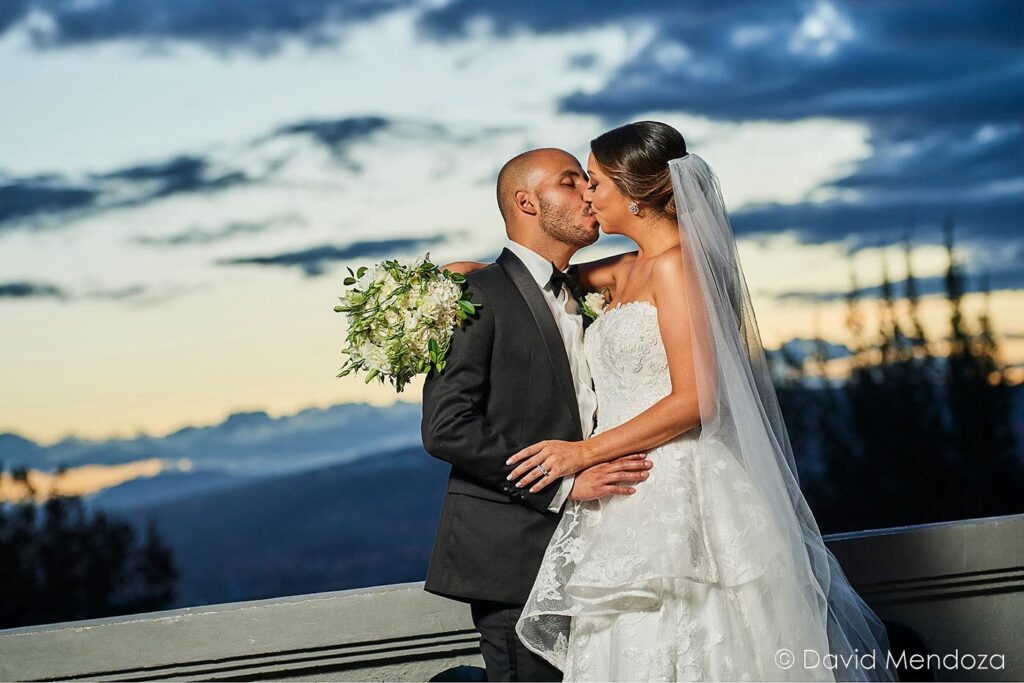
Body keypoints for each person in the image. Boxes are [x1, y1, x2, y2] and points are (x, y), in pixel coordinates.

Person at [452, 122, 898, 681]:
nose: (587, 194)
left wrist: (581, 454)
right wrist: (471, 276)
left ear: (633, 195)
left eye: (593, 181)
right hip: (624, 494)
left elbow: (696, 400)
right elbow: (541, 278)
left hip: (676, 480)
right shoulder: (626, 267)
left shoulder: (679, 265)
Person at [420, 147, 654, 682]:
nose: (588, 193)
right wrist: (565, 484)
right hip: (514, 556)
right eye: (570, 182)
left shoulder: (583, 291)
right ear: (527, 203)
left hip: (599, 550)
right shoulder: (473, 295)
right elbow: (446, 427)